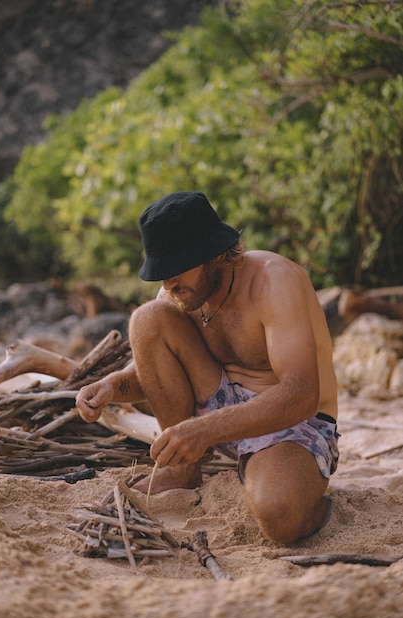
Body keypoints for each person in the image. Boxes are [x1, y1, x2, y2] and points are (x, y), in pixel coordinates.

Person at [76, 191, 339, 546]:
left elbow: (302, 395)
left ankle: (308, 493)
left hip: (291, 422)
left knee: (281, 519)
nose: (167, 283)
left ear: (214, 255)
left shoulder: (274, 281)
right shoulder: (181, 292)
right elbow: (156, 376)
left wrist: (204, 429)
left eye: (175, 268)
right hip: (216, 412)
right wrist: (111, 386)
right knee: (147, 318)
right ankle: (183, 469)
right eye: (161, 272)